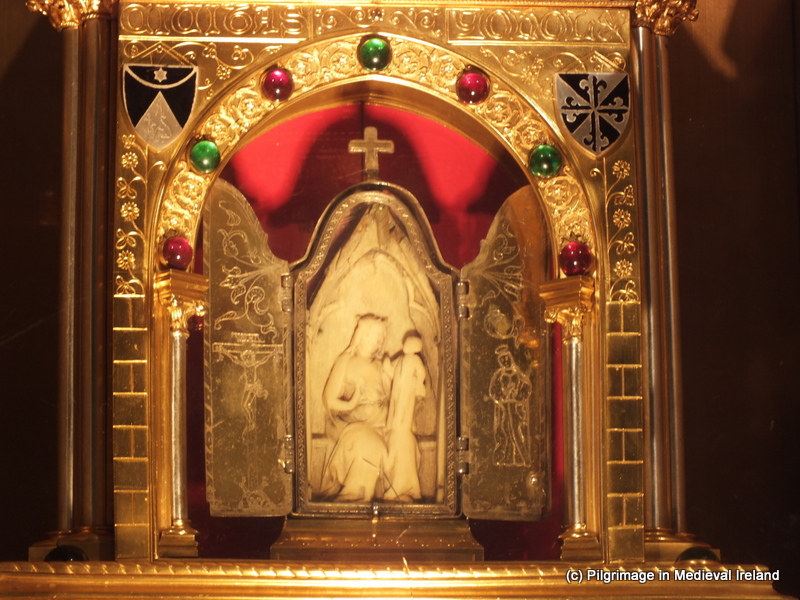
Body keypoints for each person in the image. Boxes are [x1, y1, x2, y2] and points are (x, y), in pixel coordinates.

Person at [318, 315, 392, 502]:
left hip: (380, 424)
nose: (374, 342)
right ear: (360, 336)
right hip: (352, 424)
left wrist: (390, 379)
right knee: (367, 443)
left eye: (378, 338)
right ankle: (354, 496)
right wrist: (352, 403)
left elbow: (389, 397)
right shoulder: (345, 361)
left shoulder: (379, 366)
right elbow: (329, 400)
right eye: (370, 336)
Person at [383, 333, 426, 502]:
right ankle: (396, 425)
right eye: (406, 344)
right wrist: (387, 365)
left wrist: (418, 384)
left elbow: (421, 374)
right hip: (397, 392)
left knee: (404, 413)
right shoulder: (401, 359)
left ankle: (402, 425)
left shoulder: (415, 360)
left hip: (407, 392)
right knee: (395, 410)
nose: (406, 347)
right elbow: (391, 371)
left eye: (410, 345)